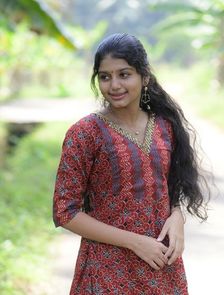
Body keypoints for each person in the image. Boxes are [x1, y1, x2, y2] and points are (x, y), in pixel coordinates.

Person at [53, 33, 209, 294]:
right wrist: (135, 242)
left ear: (144, 77)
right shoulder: (85, 133)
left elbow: (168, 187)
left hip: (161, 269)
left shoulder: (164, 127)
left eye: (124, 74)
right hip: (107, 271)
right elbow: (64, 212)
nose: (114, 85)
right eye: (105, 76)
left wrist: (177, 214)